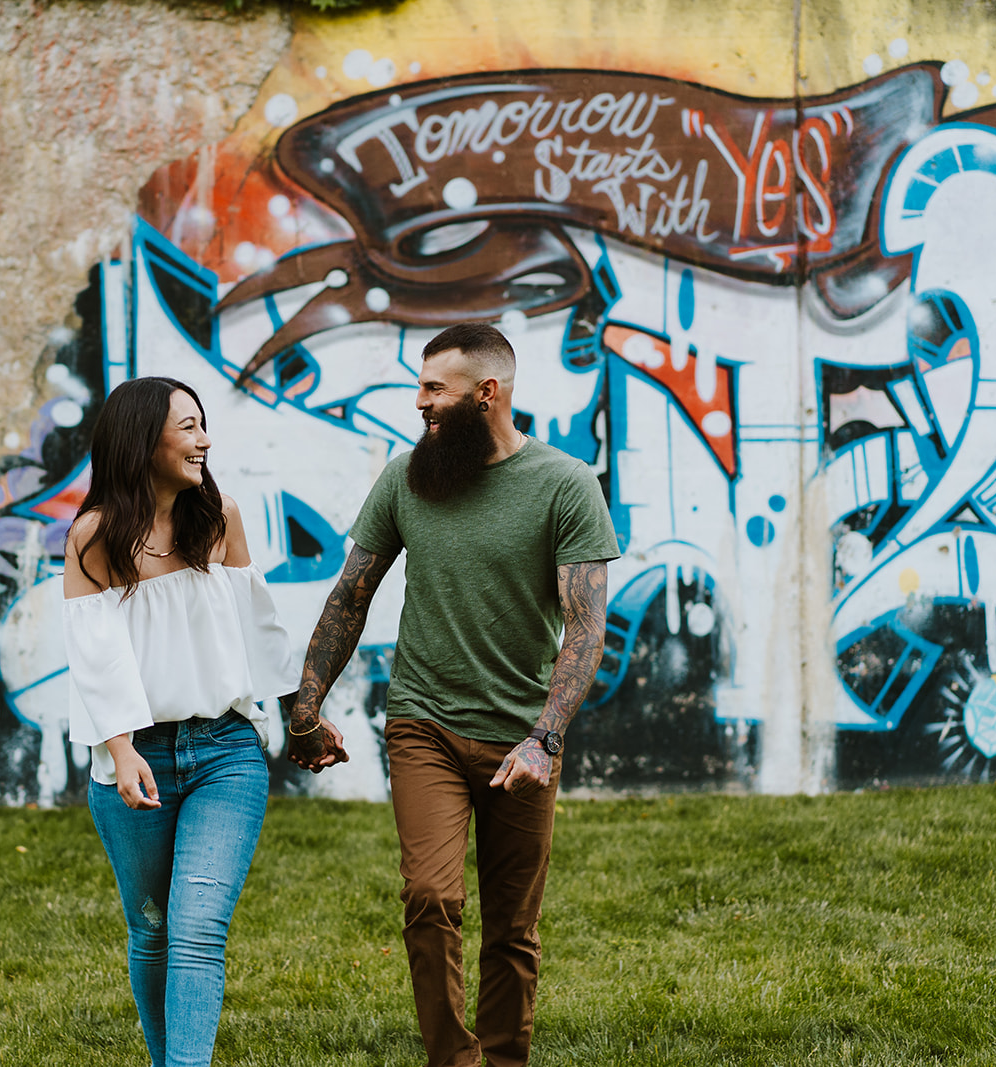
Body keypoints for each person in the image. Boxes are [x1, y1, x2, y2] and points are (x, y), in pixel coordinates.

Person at [287, 323, 618, 1067]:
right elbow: (351, 594)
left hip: (521, 735)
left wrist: (546, 737)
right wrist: (306, 705)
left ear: (487, 393)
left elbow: (586, 628)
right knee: (431, 898)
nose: (420, 402)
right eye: (421, 387)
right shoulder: (406, 477)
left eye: (435, 388)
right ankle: (452, 1059)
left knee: (512, 925)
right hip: (424, 723)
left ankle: (504, 1059)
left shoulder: (564, 483)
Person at [62, 376, 338, 1067]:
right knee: (152, 928)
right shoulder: (94, 536)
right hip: (136, 758)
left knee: (196, 928)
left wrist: (299, 714)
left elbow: (261, 625)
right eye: (187, 427)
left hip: (225, 752)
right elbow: (97, 657)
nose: (204, 439)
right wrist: (121, 748)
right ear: (141, 440)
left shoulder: (219, 519)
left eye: (202, 424)